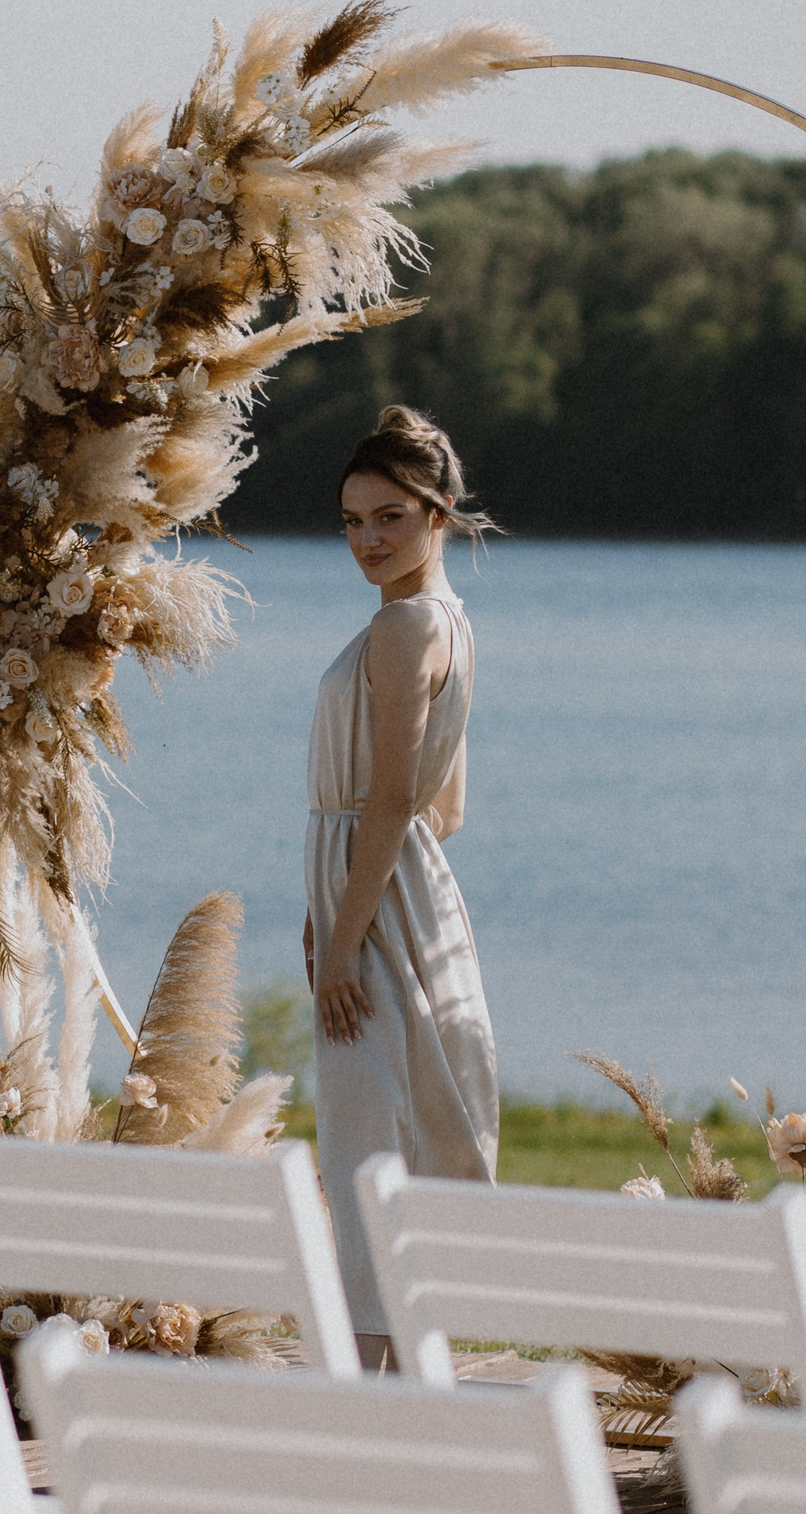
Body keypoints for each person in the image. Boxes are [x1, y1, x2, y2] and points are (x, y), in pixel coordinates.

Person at [302, 405, 498, 1373]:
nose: (366, 540)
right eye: (350, 520)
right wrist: (339, 894)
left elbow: (387, 797)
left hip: (377, 905)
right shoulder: (449, 626)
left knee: (362, 1143)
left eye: (388, 516)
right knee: (395, 1132)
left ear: (439, 512)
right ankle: (403, 1388)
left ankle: (364, 1399)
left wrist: (343, 934)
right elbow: (441, 808)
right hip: (407, 891)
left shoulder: (400, 630)